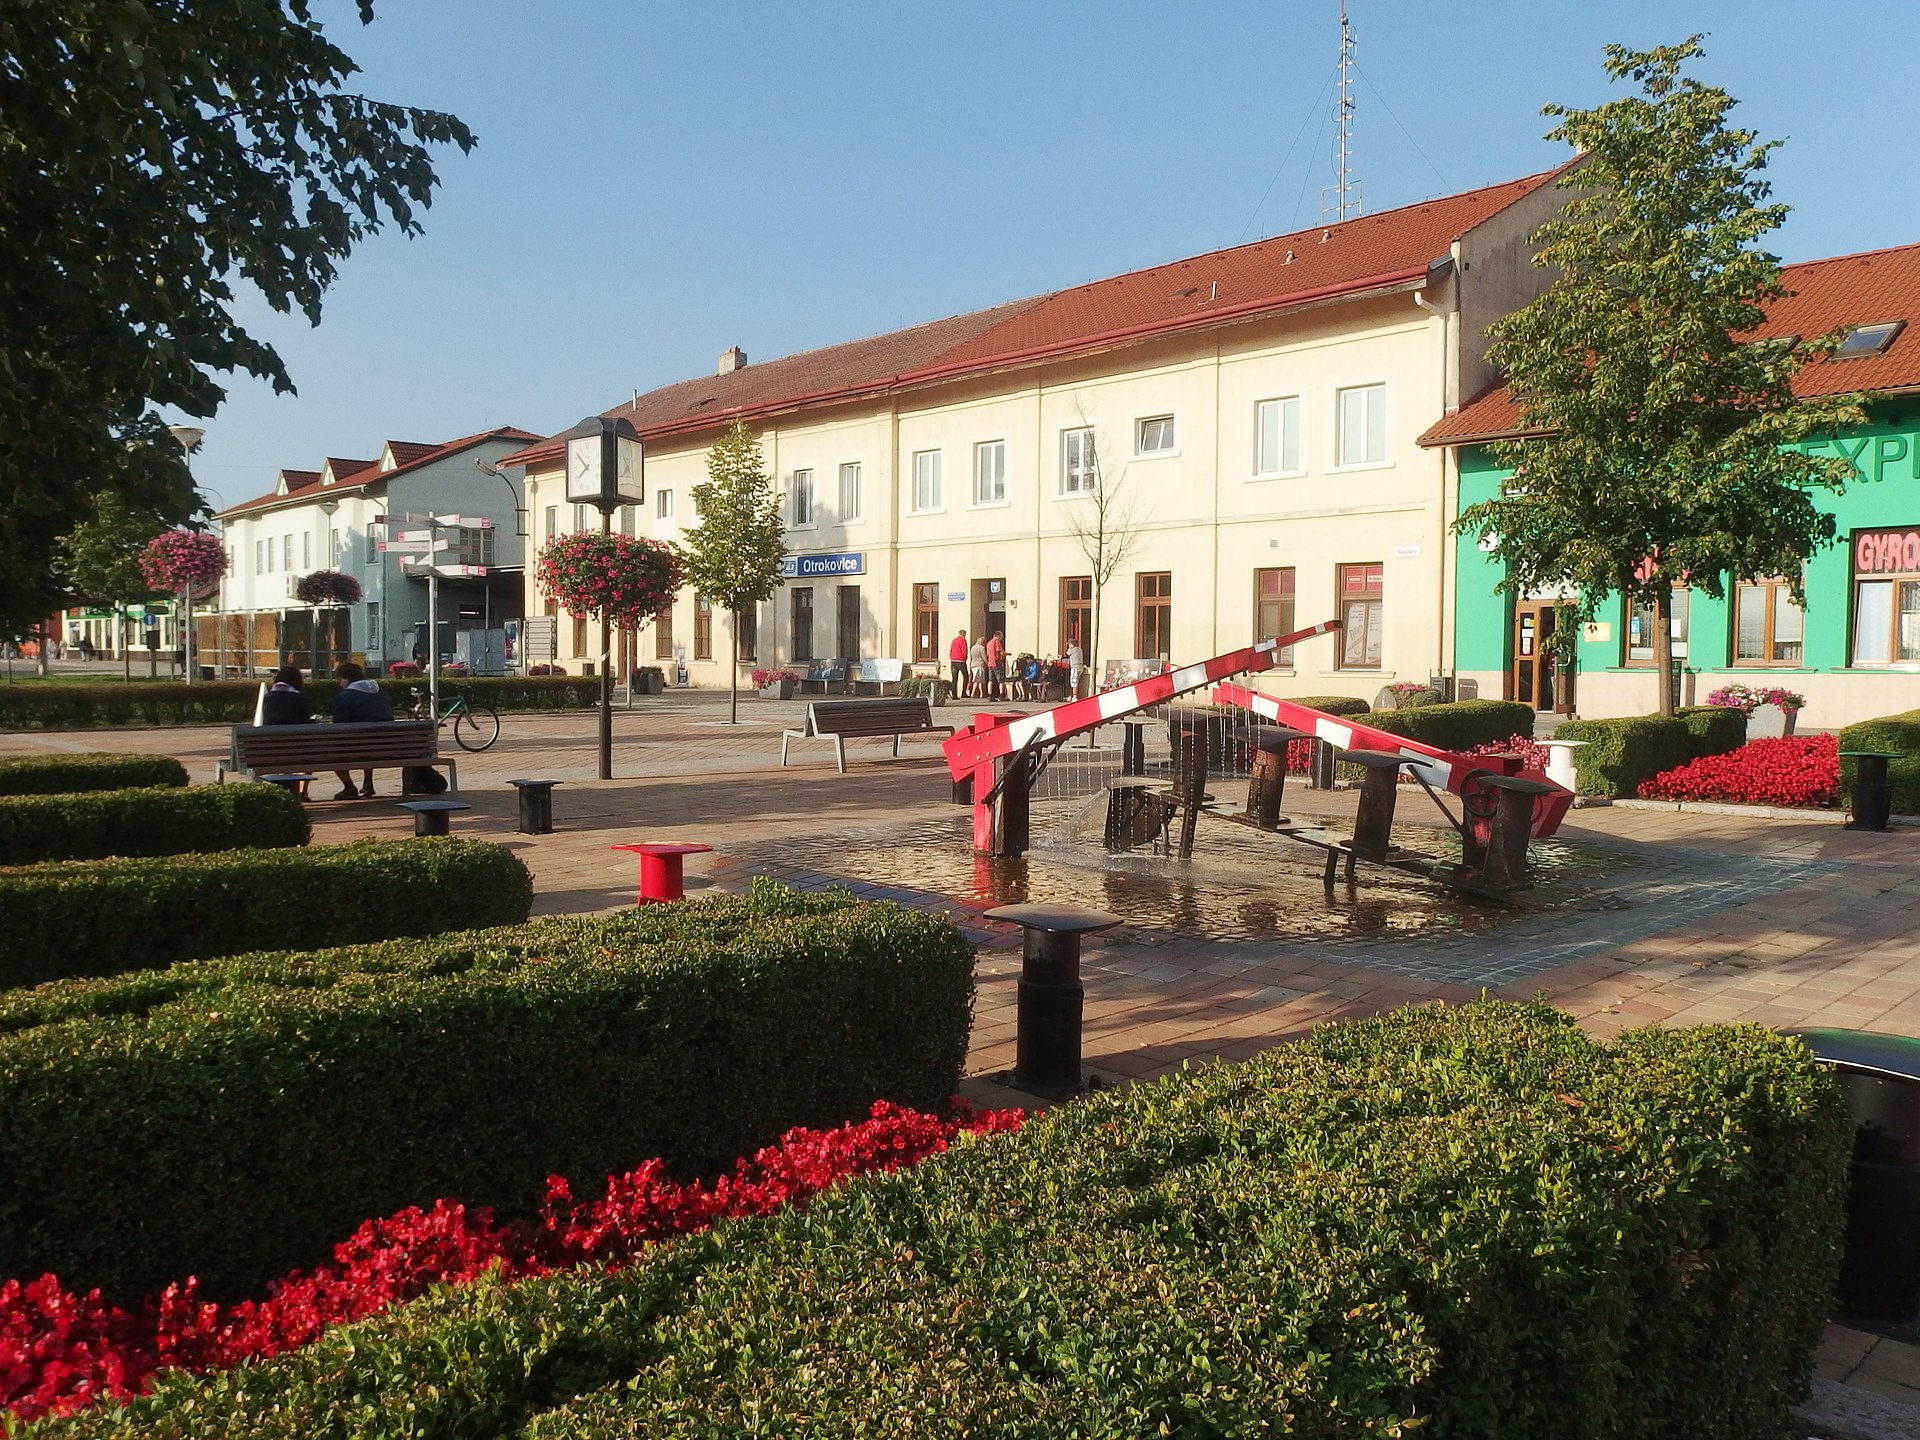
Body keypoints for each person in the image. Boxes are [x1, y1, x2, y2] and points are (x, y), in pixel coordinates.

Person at [329, 660, 393, 800]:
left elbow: (339, 726)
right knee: (369, 744)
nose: (340, 684)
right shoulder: (381, 693)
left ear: (347, 678)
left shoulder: (346, 697)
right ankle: (368, 781)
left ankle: (349, 786)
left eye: (340, 680)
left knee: (331, 751)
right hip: (386, 748)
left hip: (355, 748)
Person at [985, 630, 1005, 701]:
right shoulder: (996, 642)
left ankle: (990, 695)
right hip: (996, 662)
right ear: (998, 636)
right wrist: (1005, 654)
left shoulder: (988, 643)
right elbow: (999, 652)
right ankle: (1002, 695)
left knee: (990, 680)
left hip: (990, 662)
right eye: (1001, 637)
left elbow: (987, 654)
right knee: (1001, 680)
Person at [948, 629, 969, 697]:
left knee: (954, 678)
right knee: (966, 676)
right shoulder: (963, 640)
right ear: (964, 634)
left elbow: (951, 650)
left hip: (953, 661)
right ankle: (963, 693)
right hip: (961, 661)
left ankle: (954, 694)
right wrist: (964, 658)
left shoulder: (954, 640)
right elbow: (964, 650)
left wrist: (951, 657)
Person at [967, 635, 988, 699]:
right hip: (979, 664)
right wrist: (987, 663)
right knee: (978, 680)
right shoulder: (981, 648)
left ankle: (981, 693)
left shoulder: (973, 647)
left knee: (978, 680)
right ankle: (974, 693)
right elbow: (984, 657)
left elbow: (971, 657)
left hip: (973, 665)